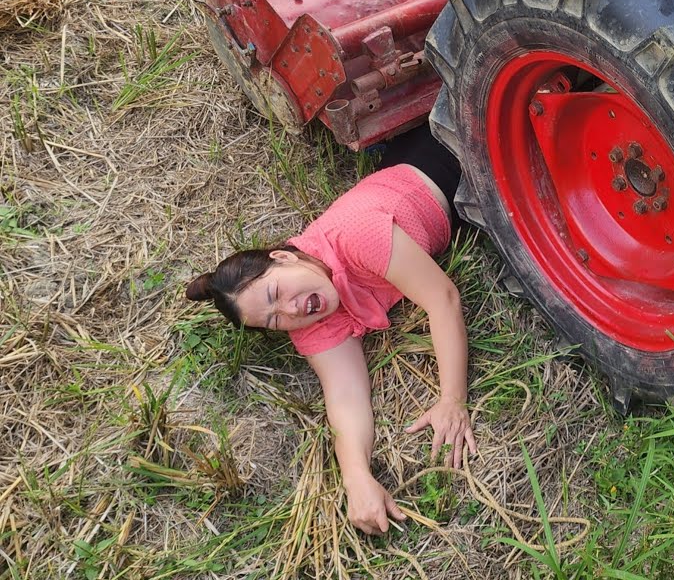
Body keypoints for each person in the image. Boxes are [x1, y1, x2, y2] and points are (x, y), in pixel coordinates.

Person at [184, 124, 472, 536]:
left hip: (450, 155)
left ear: (283, 256)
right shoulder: (309, 318)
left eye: (277, 293)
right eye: (273, 320)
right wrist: (356, 477)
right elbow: (345, 395)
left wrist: (451, 401)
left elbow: (442, 299)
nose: (291, 310)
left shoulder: (354, 237)